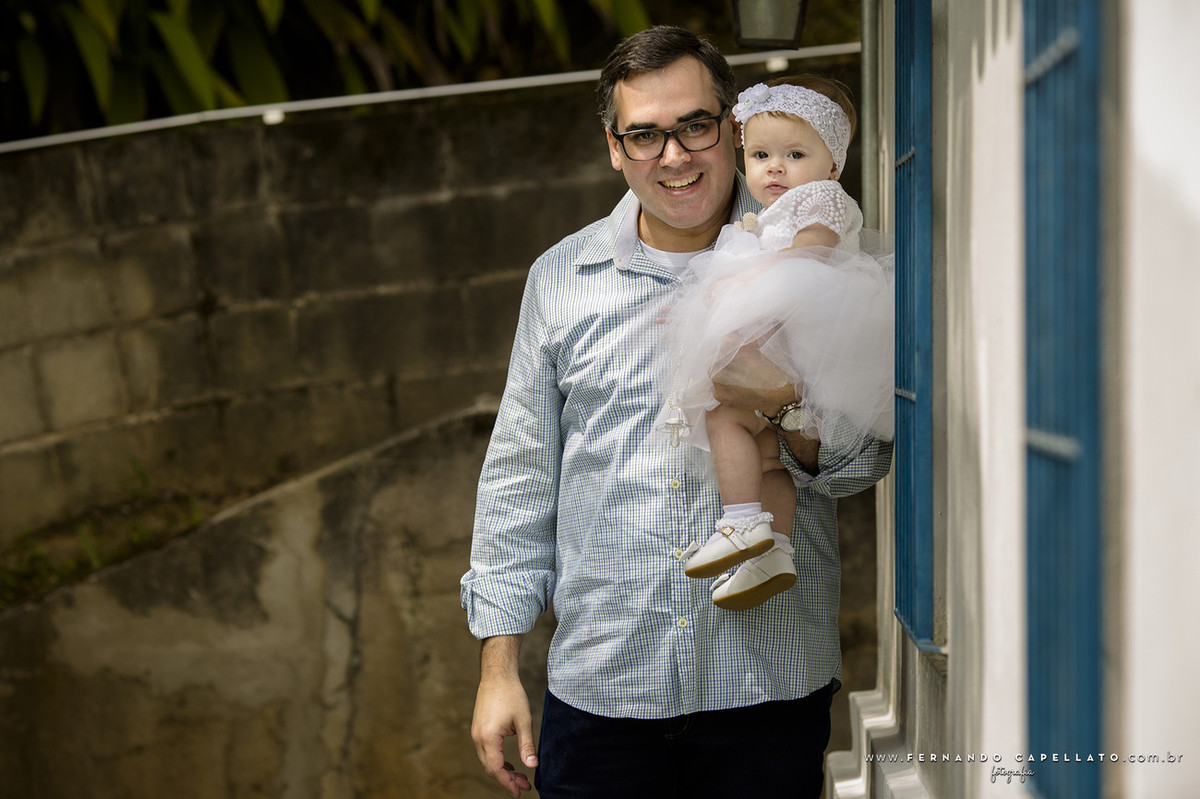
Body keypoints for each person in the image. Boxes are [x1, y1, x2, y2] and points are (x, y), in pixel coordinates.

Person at [460, 26, 892, 799]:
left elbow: (862, 466)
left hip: (768, 693)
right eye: (645, 134)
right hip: (602, 697)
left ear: (730, 127)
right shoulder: (563, 277)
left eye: (694, 126)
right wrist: (498, 669)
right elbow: (521, 476)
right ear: (613, 147)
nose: (674, 155)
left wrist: (786, 403)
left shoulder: (814, 261)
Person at [656, 75, 895, 612]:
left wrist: (741, 281)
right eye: (761, 154)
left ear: (832, 166)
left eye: (795, 154)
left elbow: (807, 261)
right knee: (767, 460)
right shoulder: (764, 218)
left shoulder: (821, 201)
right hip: (780, 341)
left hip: (806, 331)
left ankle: (741, 522)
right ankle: (774, 550)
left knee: (724, 418)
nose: (775, 168)